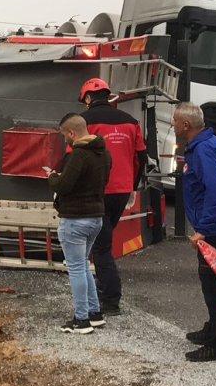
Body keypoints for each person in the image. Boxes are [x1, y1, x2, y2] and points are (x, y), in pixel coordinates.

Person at [173, 101, 216, 362]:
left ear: (186, 125)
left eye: (175, 121)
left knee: (214, 285)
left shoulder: (203, 150)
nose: (173, 124)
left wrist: (203, 229)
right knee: (210, 282)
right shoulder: (207, 143)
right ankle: (213, 328)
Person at [79, 77, 147, 315]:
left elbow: (74, 158)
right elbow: (142, 158)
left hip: (98, 191)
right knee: (103, 241)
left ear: (88, 98)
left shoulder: (85, 122)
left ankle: (110, 298)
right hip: (122, 191)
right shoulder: (131, 122)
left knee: (101, 246)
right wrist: (132, 186)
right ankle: (103, 289)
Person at [47, 113, 112, 335]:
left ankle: (81, 320)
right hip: (96, 217)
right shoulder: (104, 154)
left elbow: (64, 186)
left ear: (72, 133)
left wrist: (53, 177)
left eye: (64, 134)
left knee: (75, 268)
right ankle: (95, 314)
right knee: (83, 265)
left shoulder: (79, 155)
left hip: (75, 220)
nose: (65, 139)